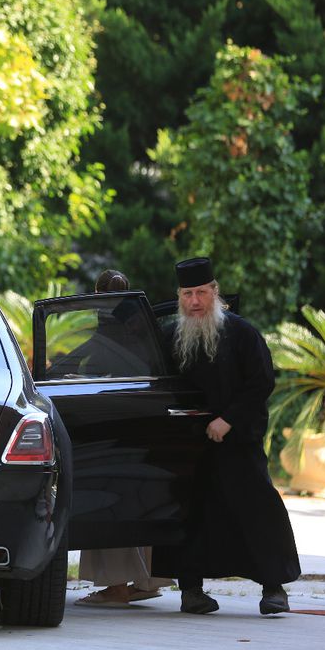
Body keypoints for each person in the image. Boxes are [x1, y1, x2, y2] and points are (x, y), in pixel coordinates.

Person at [151, 256, 300, 615]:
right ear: (180, 295)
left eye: (201, 292)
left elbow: (261, 382)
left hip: (237, 441)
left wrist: (227, 420)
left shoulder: (241, 332)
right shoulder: (170, 334)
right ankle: (191, 591)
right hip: (189, 446)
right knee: (190, 516)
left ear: (214, 293)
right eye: (188, 294)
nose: (195, 301)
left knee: (257, 510)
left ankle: (273, 589)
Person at [76, 269, 174, 606]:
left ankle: (116, 586)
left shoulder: (108, 325)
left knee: (106, 499)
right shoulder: (143, 325)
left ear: (97, 294)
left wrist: (62, 365)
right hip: (146, 423)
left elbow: (92, 362)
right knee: (140, 499)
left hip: (111, 425)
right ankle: (148, 580)